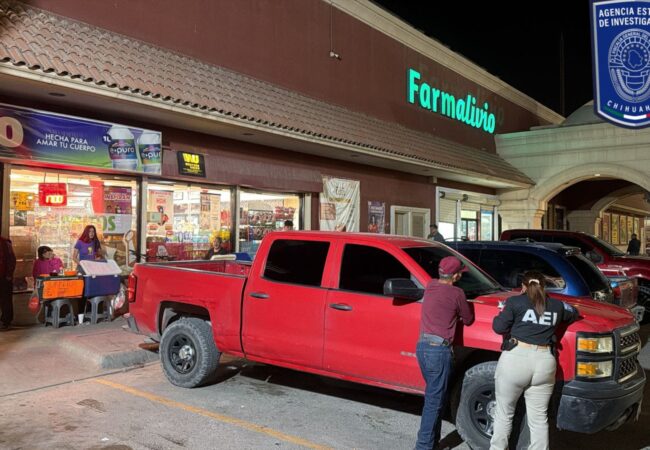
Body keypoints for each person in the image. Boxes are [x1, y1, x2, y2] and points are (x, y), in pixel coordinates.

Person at [490, 271, 579, 450]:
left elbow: (499, 327)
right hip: (545, 362)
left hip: (516, 359)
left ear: (523, 286)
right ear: (544, 287)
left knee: (504, 414)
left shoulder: (514, 302)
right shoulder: (557, 305)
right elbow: (574, 313)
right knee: (539, 419)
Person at [415, 256, 474, 450]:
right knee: (434, 402)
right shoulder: (457, 293)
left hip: (423, 348)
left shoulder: (431, 286)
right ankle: (423, 447)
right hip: (439, 351)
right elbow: (468, 319)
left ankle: (432, 444)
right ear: (455, 276)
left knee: (436, 397)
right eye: (460, 273)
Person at [0, 236, 16, 330]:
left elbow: (11, 260)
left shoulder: (4, 243)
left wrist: (9, 275)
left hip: (4, 277)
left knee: (5, 300)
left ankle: (5, 321)